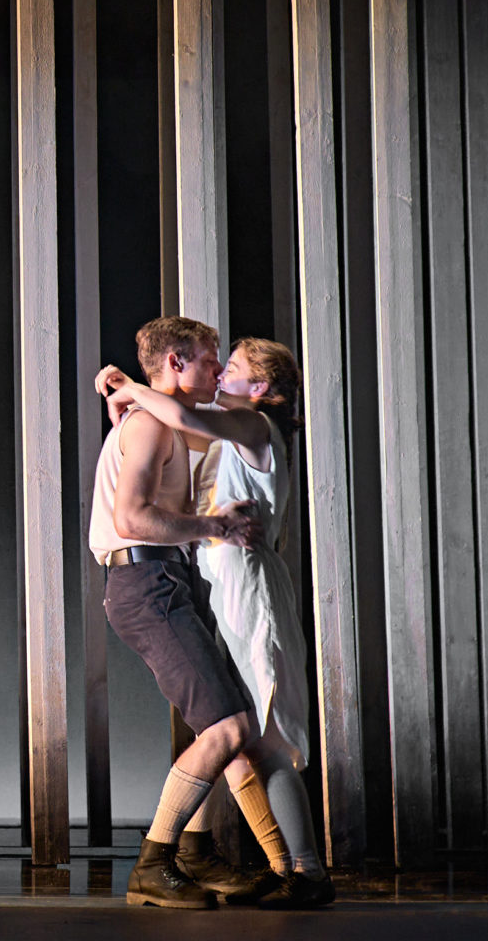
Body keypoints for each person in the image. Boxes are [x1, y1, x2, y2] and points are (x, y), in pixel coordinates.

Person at [97, 336, 336, 910]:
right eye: (213, 363)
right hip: (213, 585)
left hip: (246, 586)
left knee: (259, 734)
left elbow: (182, 414)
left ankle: (301, 870)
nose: (220, 374)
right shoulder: (217, 429)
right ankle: (263, 864)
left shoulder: (251, 424)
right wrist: (132, 399)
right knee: (233, 732)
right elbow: (175, 423)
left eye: (230, 367)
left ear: (260, 388)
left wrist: (130, 388)